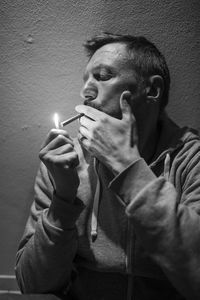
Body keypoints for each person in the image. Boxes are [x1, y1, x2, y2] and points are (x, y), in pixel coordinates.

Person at [15, 32, 200, 300]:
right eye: (85, 80)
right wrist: (63, 200)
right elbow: (32, 284)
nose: (85, 91)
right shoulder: (65, 161)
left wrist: (127, 166)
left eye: (102, 76)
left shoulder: (191, 158)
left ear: (152, 89)